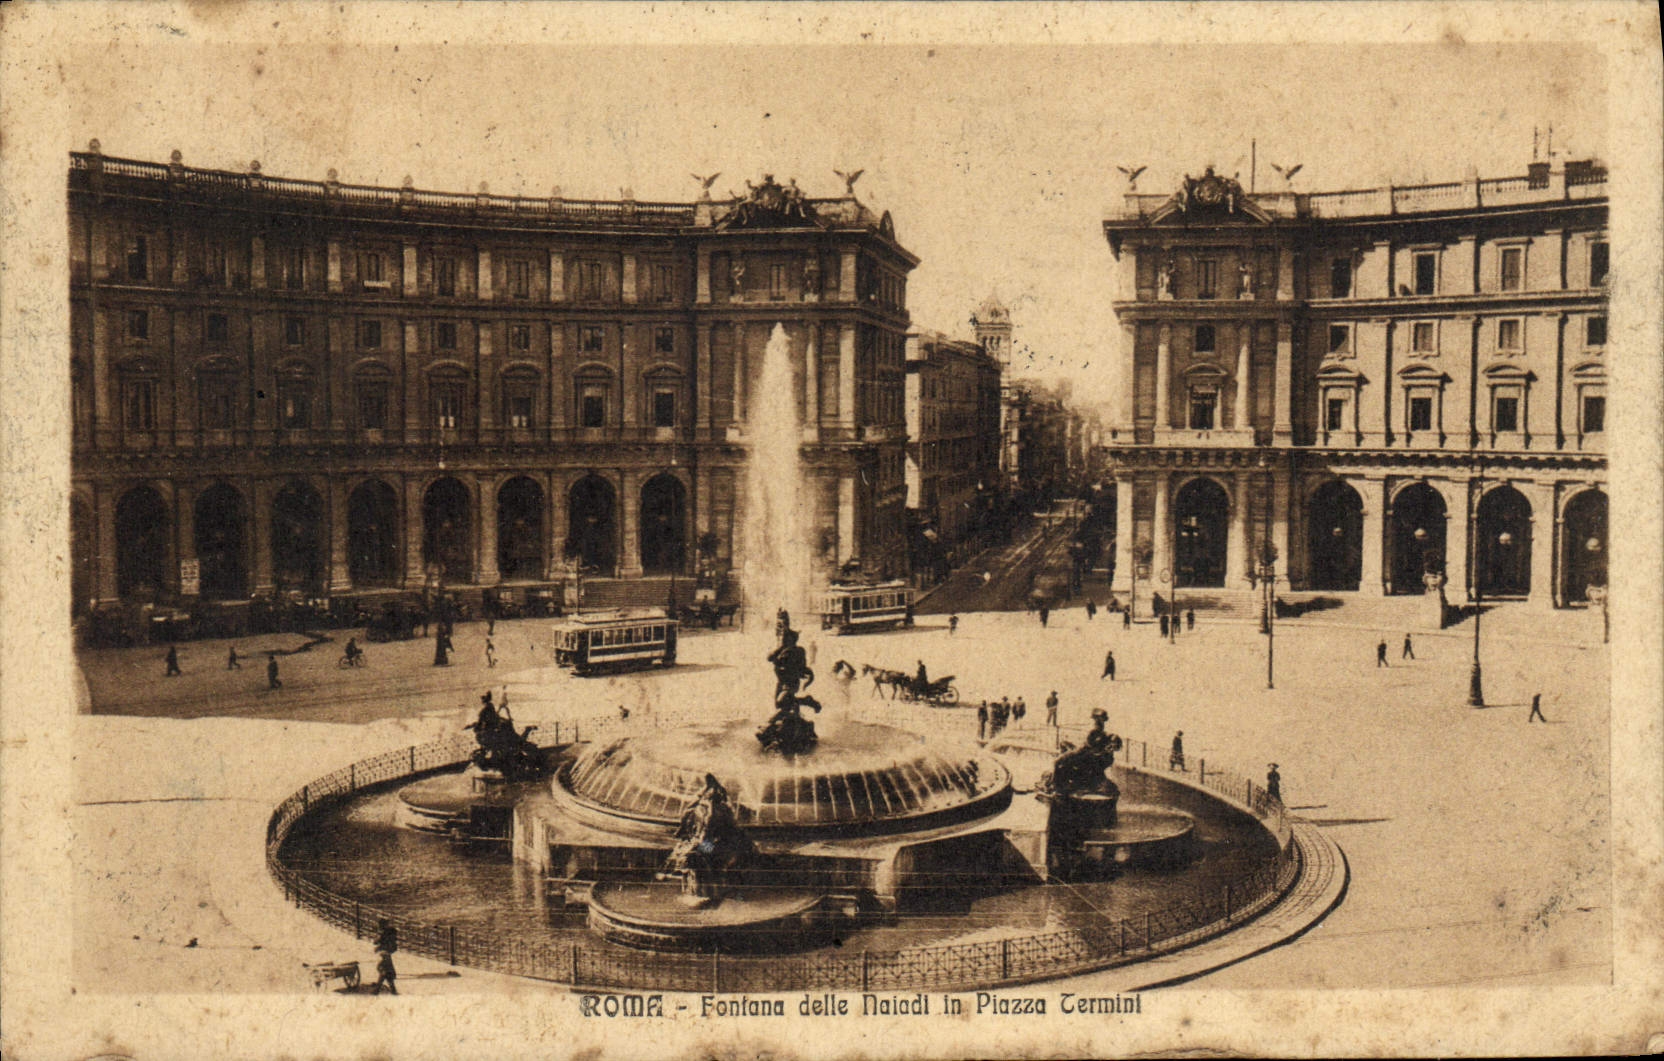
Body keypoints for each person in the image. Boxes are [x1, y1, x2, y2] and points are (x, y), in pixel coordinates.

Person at [371, 919, 398, 996]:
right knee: (387, 969)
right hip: (389, 951)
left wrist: (377, 946)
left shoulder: (382, 932)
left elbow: (375, 941)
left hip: (384, 952)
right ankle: (393, 990)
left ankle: (377, 990)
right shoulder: (392, 930)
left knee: (381, 968)